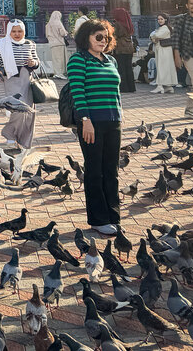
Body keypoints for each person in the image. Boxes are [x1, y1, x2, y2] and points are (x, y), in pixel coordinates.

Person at [68, 19, 122, 236]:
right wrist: (85, 121)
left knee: (112, 170)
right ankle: (98, 219)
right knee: (94, 171)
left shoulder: (110, 61)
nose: (103, 41)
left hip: (113, 121)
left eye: (106, 38)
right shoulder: (78, 60)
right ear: (86, 38)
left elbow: (116, 92)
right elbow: (78, 92)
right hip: (91, 123)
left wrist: (119, 117)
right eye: (98, 37)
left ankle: (113, 215)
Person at [0, 19, 40, 148]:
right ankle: (9, 133)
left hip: (27, 79)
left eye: (20, 31)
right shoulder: (0, 43)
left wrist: (33, 63)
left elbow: (36, 60)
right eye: (14, 31)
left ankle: (24, 140)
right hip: (11, 79)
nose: (17, 34)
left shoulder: (30, 43)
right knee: (18, 108)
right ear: (9, 32)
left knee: (29, 112)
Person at [109, 8, 136, 93]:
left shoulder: (117, 24)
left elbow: (114, 35)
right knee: (128, 68)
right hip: (129, 47)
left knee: (121, 68)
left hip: (120, 47)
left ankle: (123, 88)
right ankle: (131, 87)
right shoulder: (128, 24)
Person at [149, 13, 177, 93]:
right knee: (165, 67)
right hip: (163, 50)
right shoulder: (164, 28)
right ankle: (168, 86)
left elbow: (156, 35)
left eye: (161, 19)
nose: (160, 21)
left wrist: (153, 36)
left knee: (161, 67)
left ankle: (160, 86)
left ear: (165, 19)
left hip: (163, 50)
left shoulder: (165, 28)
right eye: (158, 19)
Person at [44, 10, 69, 79]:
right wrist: (66, 33)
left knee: (55, 59)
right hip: (59, 43)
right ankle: (60, 73)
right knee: (60, 60)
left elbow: (47, 35)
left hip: (52, 44)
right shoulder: (58, 23)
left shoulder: (48, 25)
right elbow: (62, 33)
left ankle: (56, 73)